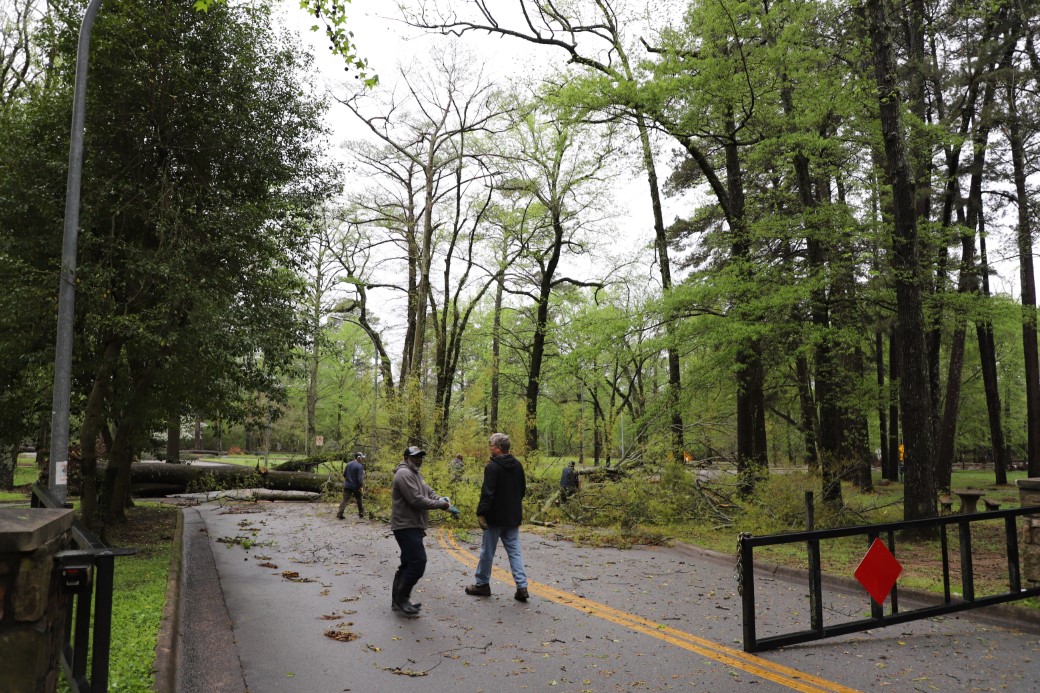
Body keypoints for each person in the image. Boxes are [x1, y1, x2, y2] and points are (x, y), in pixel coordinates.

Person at [391, 445, 457, 616]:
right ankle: (402, 598)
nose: (419, 459)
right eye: (415, 457)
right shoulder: (404, 474)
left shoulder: (417, 474)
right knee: (418, 562)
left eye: (420, 456)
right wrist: (442, 505)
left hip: (414, 525)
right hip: (406, 526)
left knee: (406, 564)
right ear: (406, 458)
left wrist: (442, 500)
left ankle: (397, 601)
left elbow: (429, 493)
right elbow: (416, 500)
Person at [465, 432, 529, 602]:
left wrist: (481, 513)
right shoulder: (518, 466)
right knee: (515, 552)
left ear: (499, 449)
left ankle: (482, 584)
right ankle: (522, 586)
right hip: (512, 517)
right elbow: (522, 490)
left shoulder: (492, 467)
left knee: (487, 552)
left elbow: (488, 493)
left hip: (494, 518)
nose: (490, 448)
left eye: (491, 446)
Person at [336, 452, 365, 520]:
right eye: (362, 458)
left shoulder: (348, 464)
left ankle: (340, 514)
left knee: (345, 499)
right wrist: (361, 486)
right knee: (359, 499)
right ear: (359, 458)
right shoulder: (360, 466)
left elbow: (344, 474)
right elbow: (359, 478)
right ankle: (361, 513)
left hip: (347, 485)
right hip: (356, 486)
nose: (362, 459)